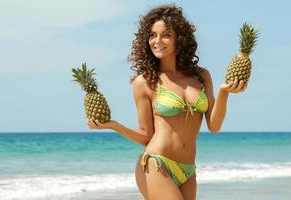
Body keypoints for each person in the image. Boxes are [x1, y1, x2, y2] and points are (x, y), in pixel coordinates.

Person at [87, 4, 247, 200]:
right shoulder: (144, 82)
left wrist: (224, 92)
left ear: (180, 39)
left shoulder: (201, 76)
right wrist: (115, 126)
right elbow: (146, 135)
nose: (157, 41)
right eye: (153, 35)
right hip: (157, 164)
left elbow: (213, 126)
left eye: (166, 35)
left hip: (188, 170)